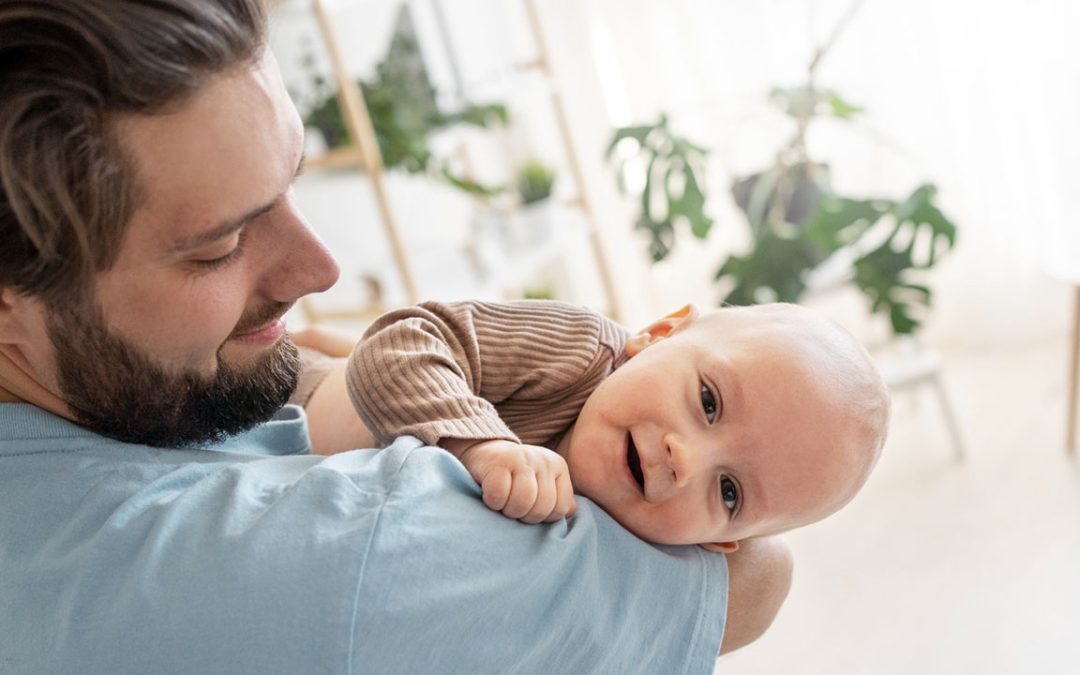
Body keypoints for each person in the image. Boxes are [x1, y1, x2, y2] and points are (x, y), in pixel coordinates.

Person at [0, 1, 793, 673]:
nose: (320, 267)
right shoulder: (348, 553)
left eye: (290, 183)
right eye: (218, 246)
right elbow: (753, 582)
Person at [348, 299, 890, 551]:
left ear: (720, 546)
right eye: (708, 401)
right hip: (298, 408)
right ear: (657, 334)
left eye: (729, 494)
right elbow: (401, 339)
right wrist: (480, 443)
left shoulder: (639, 554)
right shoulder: (580, 351)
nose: (687, 460)